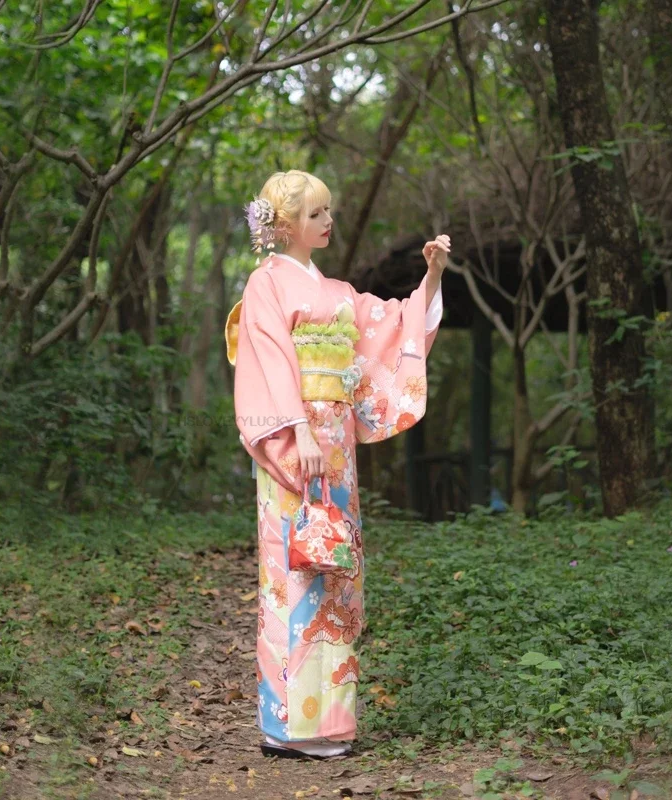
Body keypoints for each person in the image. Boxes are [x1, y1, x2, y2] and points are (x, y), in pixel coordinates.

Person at [225, 170, 449, 760]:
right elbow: (270, 360)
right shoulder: (265, 284)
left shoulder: (338, 292)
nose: (329, 223)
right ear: (289, 224)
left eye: (328, 213)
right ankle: (288, 725)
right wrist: (297, 429)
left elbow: (392, 324)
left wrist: (431, 275)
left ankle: (331, 724)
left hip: (337, 445)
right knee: (293, 568)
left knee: (337, 570)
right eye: (319, 214)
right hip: (293, 442)